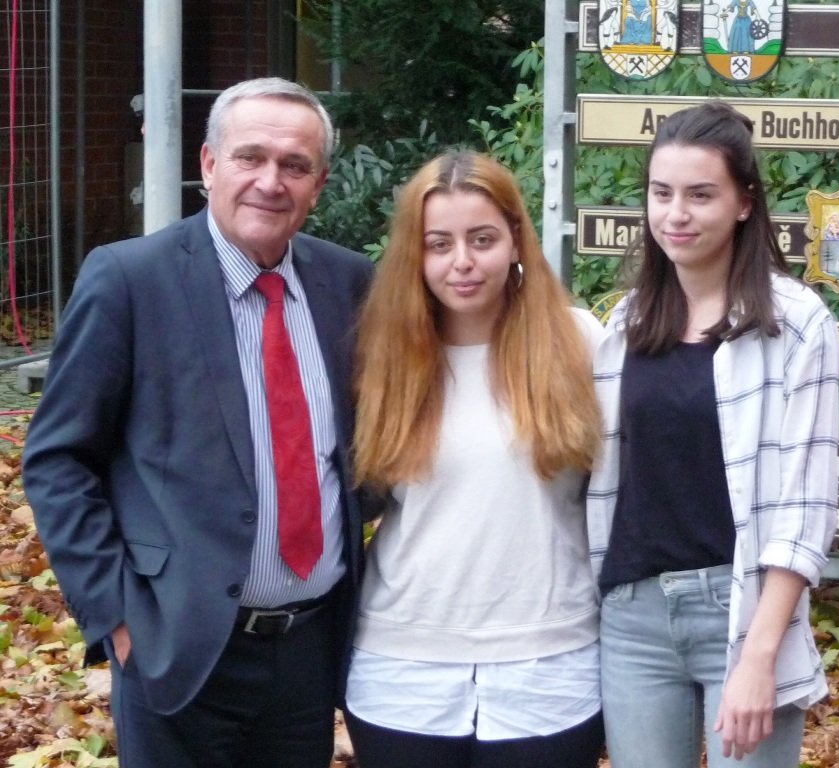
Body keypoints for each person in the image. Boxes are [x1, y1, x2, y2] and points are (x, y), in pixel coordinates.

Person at [22, 77, 375, 768]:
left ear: (319, 184)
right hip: (175, 646)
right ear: (209, 164)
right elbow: (59, 459)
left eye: (294, 166)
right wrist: (119, 619)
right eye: (251, 157)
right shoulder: (130, 280)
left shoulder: (350, 284)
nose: (271, 181)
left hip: (309, 652)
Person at [587, 101, 839, 768]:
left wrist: (760, 656)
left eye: (702, 195)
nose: (677, 214)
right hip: (634, 617)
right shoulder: (627, 323)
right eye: (661, 193)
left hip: (742, 613)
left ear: (744, 203)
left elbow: (804, 509)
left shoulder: (796, 322)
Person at [344, 151, 606, 768]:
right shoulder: (382, 357)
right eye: (439, 244)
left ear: (516, 238)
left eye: (481, 239)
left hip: (551, 665)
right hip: (401, 669)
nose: (461, 262)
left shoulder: (579, 343)